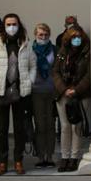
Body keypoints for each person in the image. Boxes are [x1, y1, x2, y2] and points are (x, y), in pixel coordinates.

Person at [0, 11, 35, 174]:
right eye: (8, 24)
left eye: (14, 24)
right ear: (4, 26)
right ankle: (2, 162)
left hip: (20, 91)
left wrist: (30, 80)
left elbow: (32, 65)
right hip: (1, 91)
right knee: (2, 129)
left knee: (19, 128)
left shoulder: (25, 44)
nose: (11, 27)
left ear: (19, 25)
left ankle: (18, 161)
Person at [54, 24, 91, 170]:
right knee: (65, 126)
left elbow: (89, 75)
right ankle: (65, 157)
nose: (76, 39)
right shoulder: (63, 52)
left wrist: (76, 90)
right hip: (63, 94)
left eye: (79, 37)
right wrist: (64, 89)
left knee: (77, 126)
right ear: (68, 38)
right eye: (73, 37)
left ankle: (74, 157)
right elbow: (55, 72)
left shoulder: (87, 53)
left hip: (81, 94)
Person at [29, 22, 59, 168]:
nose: (43, 36)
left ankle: (50, 155)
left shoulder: (54, 49)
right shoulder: (30, 50)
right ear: (35, 35)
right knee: (40, 125)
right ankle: (41, 156)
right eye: (40, 34)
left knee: (50, 125)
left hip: (51, 91)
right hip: (36, 91)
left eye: (46, 34)